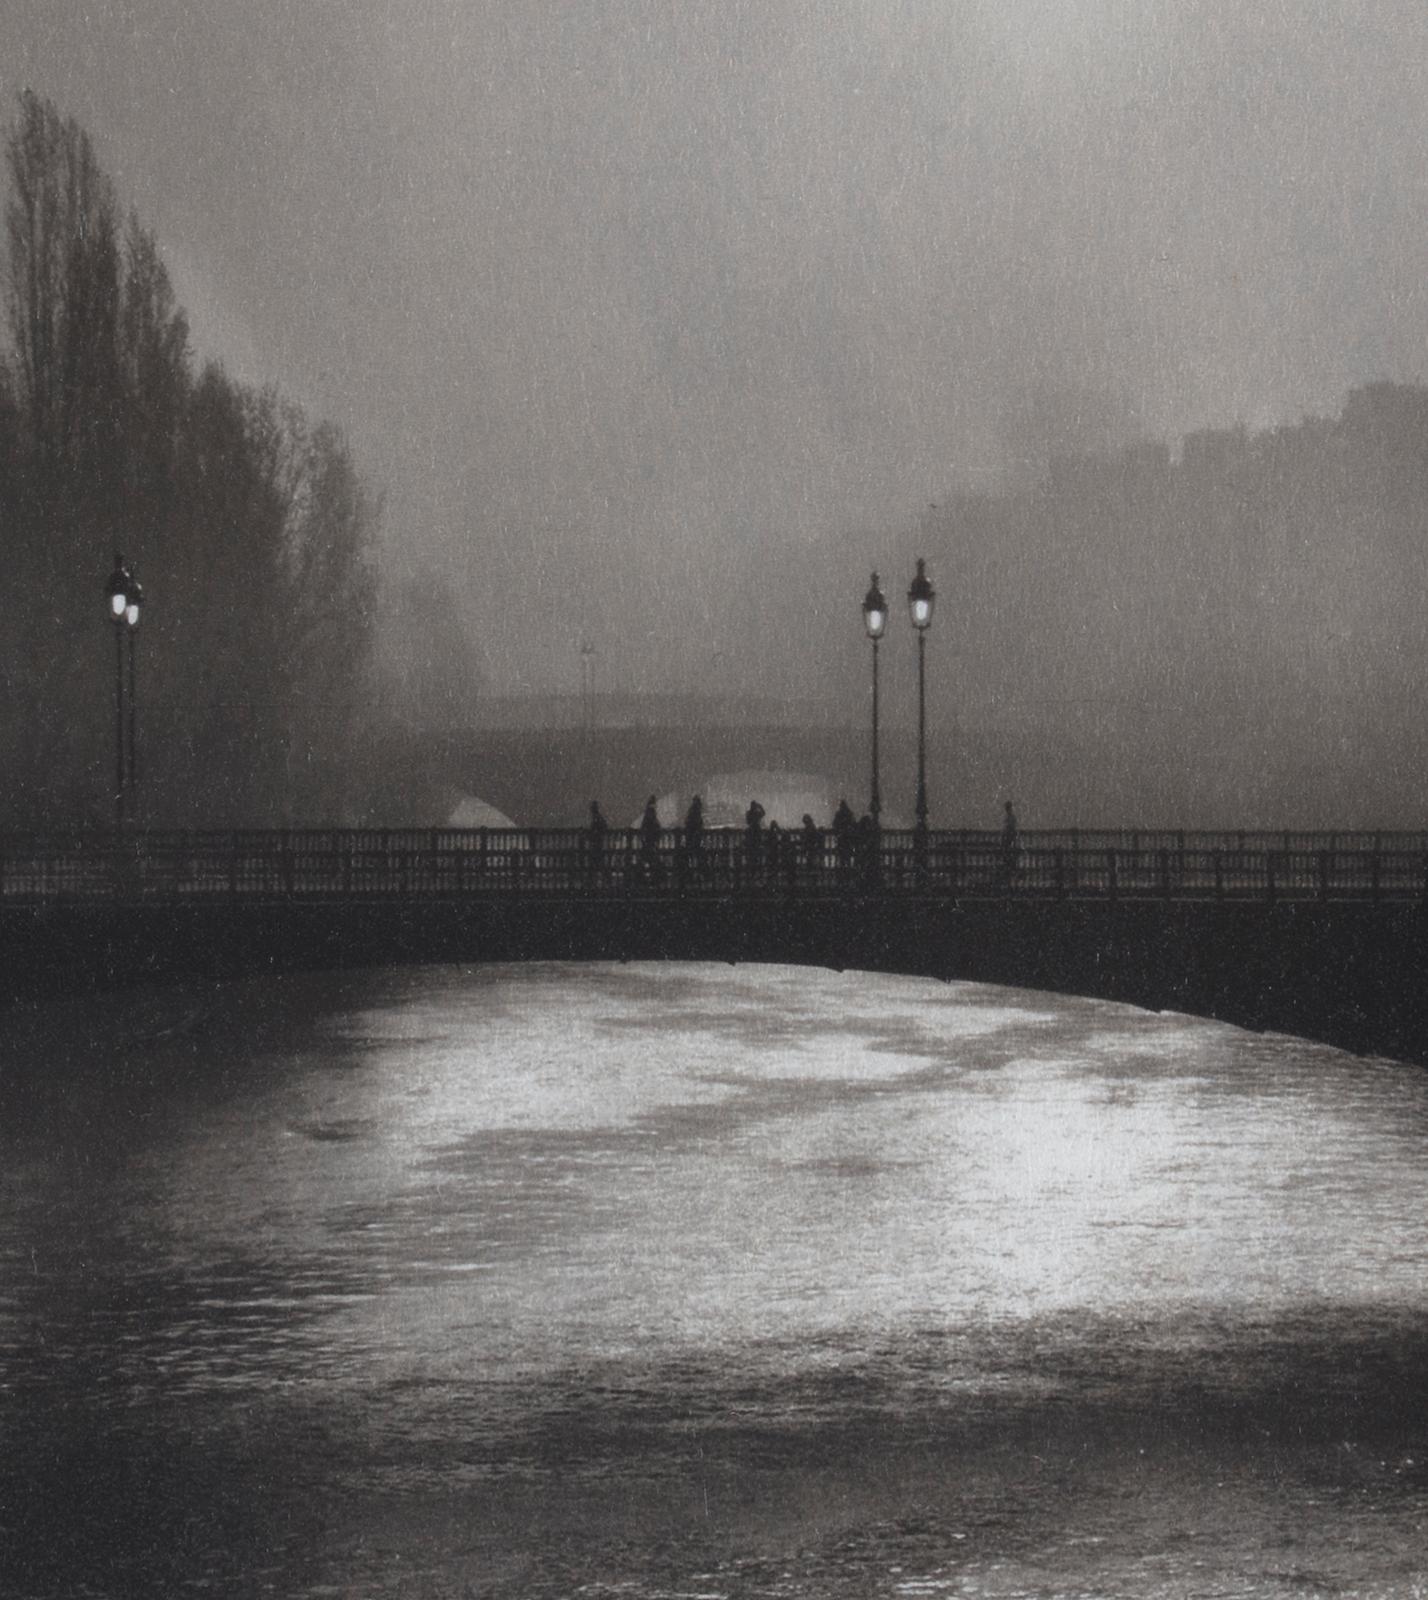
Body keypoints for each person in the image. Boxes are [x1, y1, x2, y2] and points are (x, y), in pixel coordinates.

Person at [683, 794, 705, 882]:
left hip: (690, 837)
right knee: (697, 856)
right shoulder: (696, 811)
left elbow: (687, 823)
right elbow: (699, 823)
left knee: (691, 857)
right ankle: (697, 875)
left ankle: (691, 875)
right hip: (695, 838)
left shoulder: (691, 811)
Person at [640, 795, 662, 881]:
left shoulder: (648, 813)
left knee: (647, 858)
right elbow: (654, 825)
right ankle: (652, 877)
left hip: (648, 839)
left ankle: (647, 877)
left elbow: (644, 826)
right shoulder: (651, 813)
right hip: (651, 839)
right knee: (652, 858)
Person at [831, 798, 855, 876]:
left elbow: (834, 824)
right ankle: (848, 872)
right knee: (847, 857)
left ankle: (842, 872)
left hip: (841, 838)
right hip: (848, 839)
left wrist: (839, 831)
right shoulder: (850, 814)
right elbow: (853, 824)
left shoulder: (838, 814)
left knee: (841, 857)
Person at [587, 800, 609, 881]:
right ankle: (605, 878)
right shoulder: (599, 818)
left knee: (594, 862)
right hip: (598, 843)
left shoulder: (596, 819)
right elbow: (605, 827)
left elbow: (595, 831)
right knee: (599, 862)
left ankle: (591, 880)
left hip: (595, 844)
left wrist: (593, 835)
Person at [744, 799, 766, 879]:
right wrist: (760, 806)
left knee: (751, 856)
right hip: (756, 833)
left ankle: (752, 873)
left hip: (751, 834)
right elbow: (763, 813)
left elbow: (747, 822)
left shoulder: (749, 813)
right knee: (756, 855)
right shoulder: (756, 813)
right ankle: (756, 872)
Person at [1001, 799, 1020, 888]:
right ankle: (1010, 881)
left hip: (1008, 840)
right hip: (1009, 841)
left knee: (1009, 862)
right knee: (1011, 862)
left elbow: (1009, 828)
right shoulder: (1011, 817)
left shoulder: (1009, 818)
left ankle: (1009, 881)